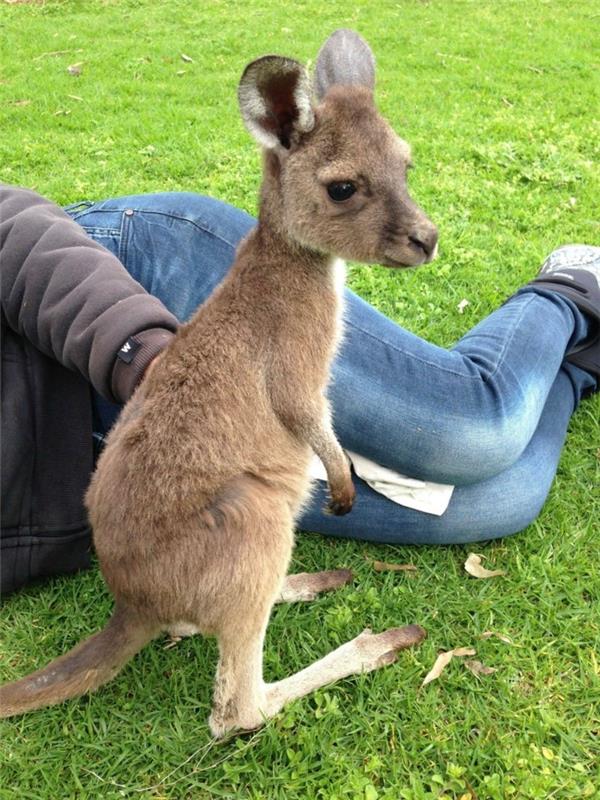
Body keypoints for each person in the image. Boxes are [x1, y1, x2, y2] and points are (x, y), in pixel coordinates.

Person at [1, 185, 598, 595]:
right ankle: (577, 365)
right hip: (111, 465)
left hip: (110, 301)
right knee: (504, 499)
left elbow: (11, 223)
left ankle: (567, 290)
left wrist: (144, 356)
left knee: (473, 431)